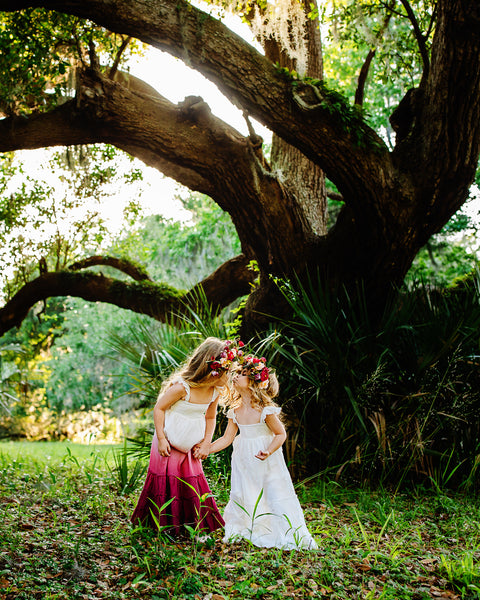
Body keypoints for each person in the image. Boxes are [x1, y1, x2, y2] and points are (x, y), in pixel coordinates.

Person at [208, 354, 317, 550]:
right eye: (237, 372)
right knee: (244, 490)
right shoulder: (236, 410)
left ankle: (276, 528)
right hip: (243, 457)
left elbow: (280, 434)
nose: (236, 375)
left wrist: (268, 451)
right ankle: (247, 526)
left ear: (252, 382)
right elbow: (226, 438)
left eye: (242, 373)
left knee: (272, 491)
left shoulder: (265, 409)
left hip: (265, 457)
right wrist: (206, 449)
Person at [131, 337, 237, 538]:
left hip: (191, 445)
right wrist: (161, 438)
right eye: (228, 371)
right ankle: (163, 526)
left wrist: (206, 442)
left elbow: (210, 416)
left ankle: (194, 526)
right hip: (169, 441)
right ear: (214, 369)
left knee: (191, 482)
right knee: (168, 480)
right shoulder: (182, 387)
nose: (231, 376)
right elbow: (159, 408)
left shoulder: (214, 391)